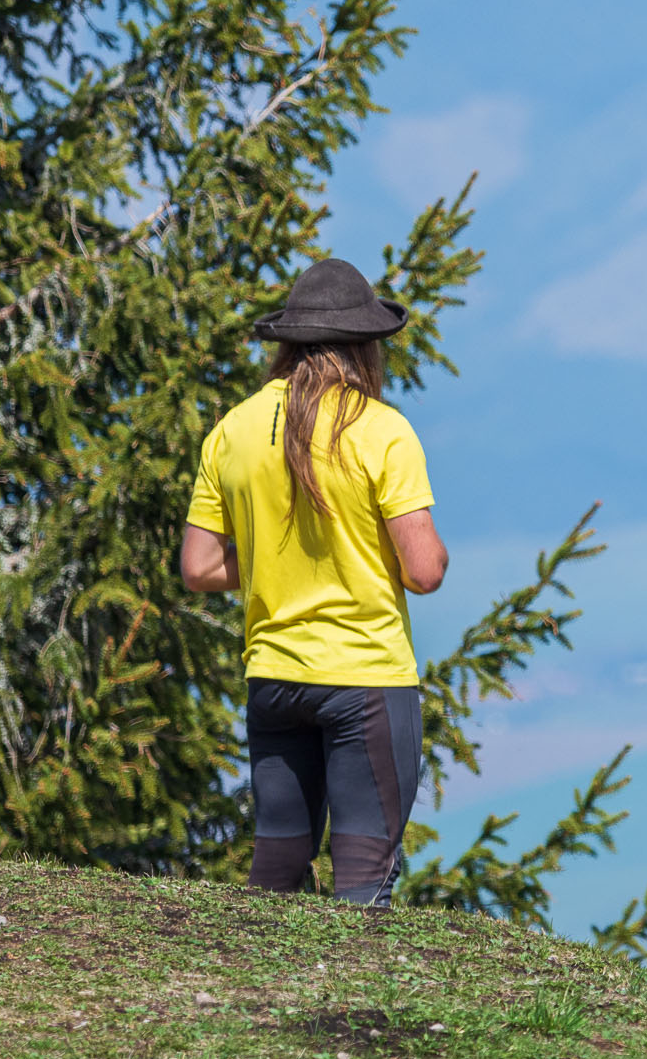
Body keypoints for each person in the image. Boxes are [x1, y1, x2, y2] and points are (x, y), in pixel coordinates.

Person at [180, 257, 448, 906]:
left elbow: (200, 567)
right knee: (363, 884)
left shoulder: (232, 431)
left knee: (275, 876)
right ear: (365, 346)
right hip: (365, 681)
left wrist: (275, 558)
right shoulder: (381, 431)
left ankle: (256, 1001)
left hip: (274, 678)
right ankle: (357, 1010)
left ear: (288, 344)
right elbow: (424, 570)